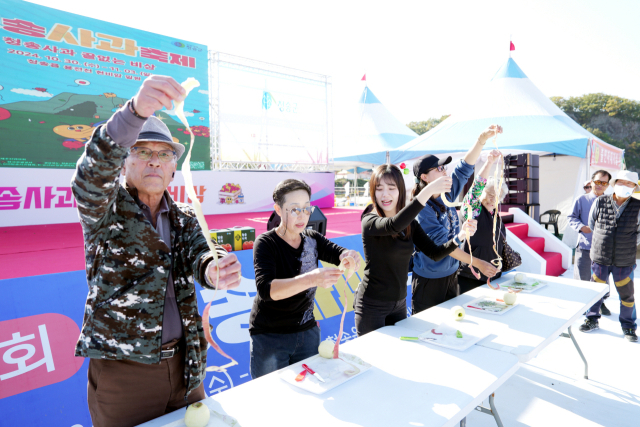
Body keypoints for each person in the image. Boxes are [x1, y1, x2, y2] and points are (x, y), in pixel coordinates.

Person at [71, 76, 242, 427]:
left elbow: (203, 253)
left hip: (187, 366)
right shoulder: (104, 210)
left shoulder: (184, 218)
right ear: (124, 162)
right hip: (124, 375)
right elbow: (90, 177)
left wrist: (213, 268)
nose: (154, 162)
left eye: (164, 154)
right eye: (143, 151)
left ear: (173, 167)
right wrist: (135, 112)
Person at [249, 179, 361, 378]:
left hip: (307, 333)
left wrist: (348, 256)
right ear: (278, 209)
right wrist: (311, 279)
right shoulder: (266, 243)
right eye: (294, 210)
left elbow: (337, 252)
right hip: (270, 336)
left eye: (306, 208)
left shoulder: (312, 238)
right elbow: (267, 290)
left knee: (309, 393)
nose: (302, 216)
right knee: (271, 397)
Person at [354, 164, 479, 336]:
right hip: (372, 306)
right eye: (379, 189)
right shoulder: (369, 220)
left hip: (398, 304)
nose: (385, 195)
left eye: (391, 188)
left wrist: (461, 236)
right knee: (372, 359)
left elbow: (435, 253)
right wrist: (428, 191)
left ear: (400, 191)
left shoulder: (410, 223)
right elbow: (394, 225)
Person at [411, 125, 502, 314]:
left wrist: (481, 142)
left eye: (444, 167)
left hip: (452, 274)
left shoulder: (448, 194)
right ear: (425, 177)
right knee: (426, 331)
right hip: (429, 280)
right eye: (439, 169)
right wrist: (478, 263)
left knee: (450, 327)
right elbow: (445, 248)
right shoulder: (421, 209)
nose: (445, 171)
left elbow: (465, 170)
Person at [580, 170, 640, 343]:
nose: (625, 186)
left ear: (635, 187)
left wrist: (625, 243)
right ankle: (591, 319)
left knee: (627, 296)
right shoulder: (600, 201)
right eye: (622, 182)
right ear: (614, 183)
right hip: (600, 256)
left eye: (629, 184)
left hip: (624, 259)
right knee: (595, 291)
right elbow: (592, 223)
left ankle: (628, 326)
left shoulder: (637, 206)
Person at [457, 150, 508, 294]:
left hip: (493, 277)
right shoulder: (473, 209)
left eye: (497, 196)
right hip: (471, 277)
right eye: (490, 194)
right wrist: (490, 162)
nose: (493, 199)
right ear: (482, 193)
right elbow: (475, 189)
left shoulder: (496, 216)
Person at [568, 170, 612, 315]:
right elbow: (571, 218)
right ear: (591, 182)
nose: (599, 185)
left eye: (603, 183)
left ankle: (601, 303)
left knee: (602, 279)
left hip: (604, 249)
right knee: (583, 277)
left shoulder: (611, 201)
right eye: (597, 182)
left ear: (607, 185)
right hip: (585, 246)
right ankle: (583, 305)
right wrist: (582, 228)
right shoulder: (581, 200)